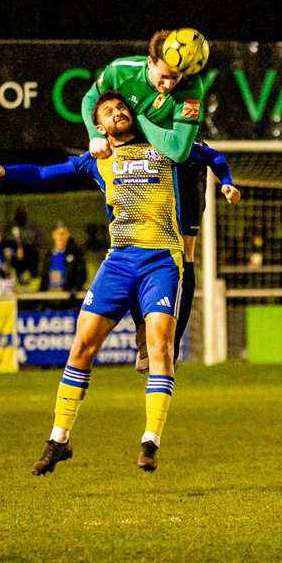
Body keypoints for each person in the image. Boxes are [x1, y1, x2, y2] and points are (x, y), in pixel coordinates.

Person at [0, 90, 239, 475]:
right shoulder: (98, 159)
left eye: (121, 108)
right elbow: (43, 174)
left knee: (160, 346)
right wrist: (6, 171)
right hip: (119, 261)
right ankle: (58, 440)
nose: (118, 112)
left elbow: (212, 156)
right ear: (97, 126)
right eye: (108, 111)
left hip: (161, 261)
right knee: (82, 345)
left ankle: (150, 441)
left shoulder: (163, 145)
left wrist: (227, 182)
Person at [82, 29, 209, 372]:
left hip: (182, 170)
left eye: (177, 77)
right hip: (139, 168)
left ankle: (168, 345)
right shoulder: (122, 70)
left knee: (185, 251)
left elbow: (178, 149)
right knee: (138, 244)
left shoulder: (190, 88)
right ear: (150, 62)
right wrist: (96, 135)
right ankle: (145, 342)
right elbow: (87, 101)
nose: (170, 85)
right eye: (164, 76)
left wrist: (138, 119)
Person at [40, 221, 87, 295]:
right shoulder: (48, 256)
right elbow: (43, 277)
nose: (61, 236)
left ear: (68, 235)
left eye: (64, 233)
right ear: (53, 235)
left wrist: (74, 289)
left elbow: (81, 276)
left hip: (67, 298)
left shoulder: (76, 255)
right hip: (49, 297)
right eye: (58, 233)